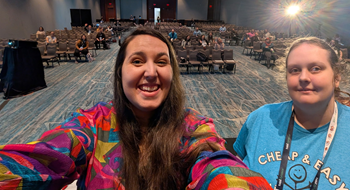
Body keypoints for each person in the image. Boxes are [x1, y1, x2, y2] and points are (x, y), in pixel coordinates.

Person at [0, 28, 272, 190]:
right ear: (120, 72)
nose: (151, 72)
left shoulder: (194, 128)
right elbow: (42, 158)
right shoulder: (93, 123)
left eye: (162, 62)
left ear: (173, 73)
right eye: (138, 61)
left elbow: (218, 166)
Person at [234, 37, 350, 190]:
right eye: (295, 70)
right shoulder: (261, 118)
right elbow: (234, 174)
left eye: (315, 68)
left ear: (336, 78)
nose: (303, 77)